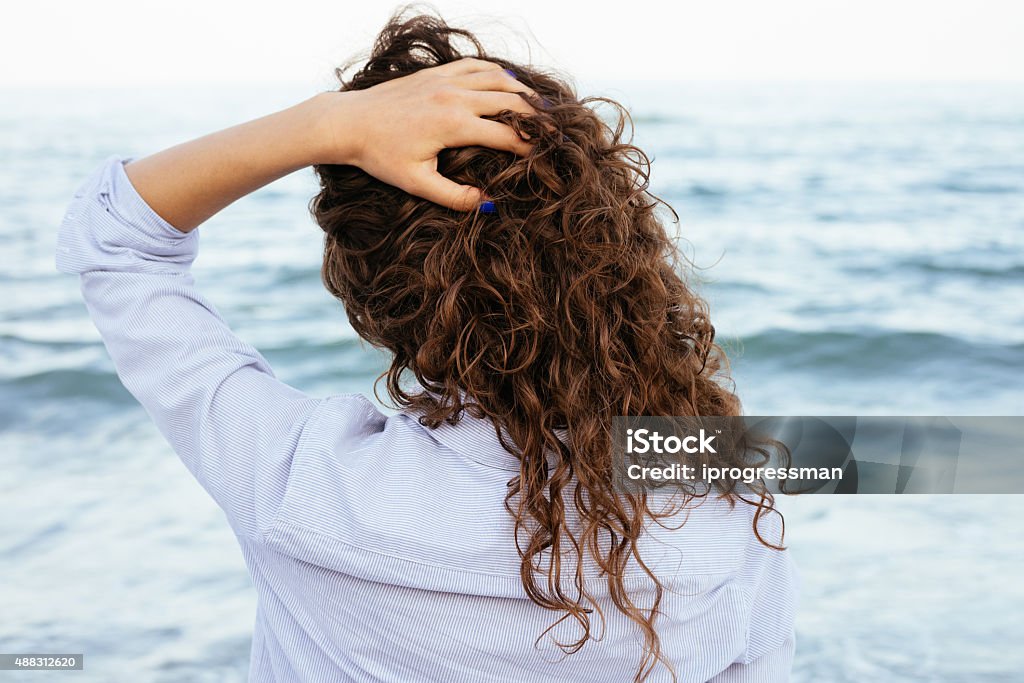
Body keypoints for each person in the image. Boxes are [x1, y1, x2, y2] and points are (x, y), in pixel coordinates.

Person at [55, 11, 797, 683]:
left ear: (372, 296)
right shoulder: (724, 497)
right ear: (612, 245)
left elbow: (115, 239)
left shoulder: (300, 486)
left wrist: (329, 125)